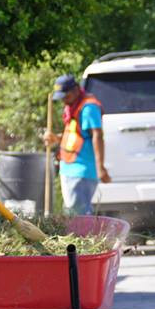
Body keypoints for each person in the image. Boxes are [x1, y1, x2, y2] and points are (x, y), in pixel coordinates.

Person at [43, 73, 110, 215]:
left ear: (76, 90)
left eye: (66, 97)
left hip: (81, 170)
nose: (64, 101)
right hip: (68, 168)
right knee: (72, 214)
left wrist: (100, 168)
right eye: (61, 98)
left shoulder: (89, 108)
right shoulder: (73, 107)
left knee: (79, 215)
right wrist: (55, 138)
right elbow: (76, 136)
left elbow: (97, 135)